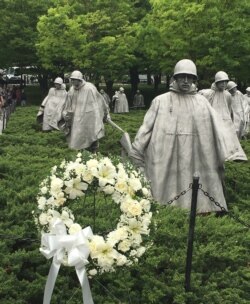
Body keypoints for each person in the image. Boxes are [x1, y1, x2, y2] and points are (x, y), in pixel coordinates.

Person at [129, 59, 247, 213]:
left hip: (197, 159)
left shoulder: (202, 102)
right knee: (167, 192)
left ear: (193, 80)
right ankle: (168, 212)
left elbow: (220, 130)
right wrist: (137, 150)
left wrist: (231, 151)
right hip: (167, 160)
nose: (185, 81)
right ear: (175, 78)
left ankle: (201, 211)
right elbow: (145, 130)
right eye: (181, 77)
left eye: (189, 77)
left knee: (198, 191)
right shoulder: (161, 101)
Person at [199, 71, 246, 160]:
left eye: (225, 82)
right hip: (213, 119)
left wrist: (229, 120)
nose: (224, 84)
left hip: (225, 119)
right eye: (221, 82)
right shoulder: (208, 93)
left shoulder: (227, 95)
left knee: (227, 137)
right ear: (217, 82)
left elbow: (229, 109)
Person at [61, 70, 109, 152]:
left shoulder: (89, 88)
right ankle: (79, 154)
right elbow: (67, 103)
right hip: (76, 117)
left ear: (79, 79)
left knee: (92, 134)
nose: (72, 81)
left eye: (74, 79)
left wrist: (105, 113)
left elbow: (99, 100)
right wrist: (66, 113)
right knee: (77, 136)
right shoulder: (72, 89)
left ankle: (94, 152)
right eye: (71, 79)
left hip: (89, 116)